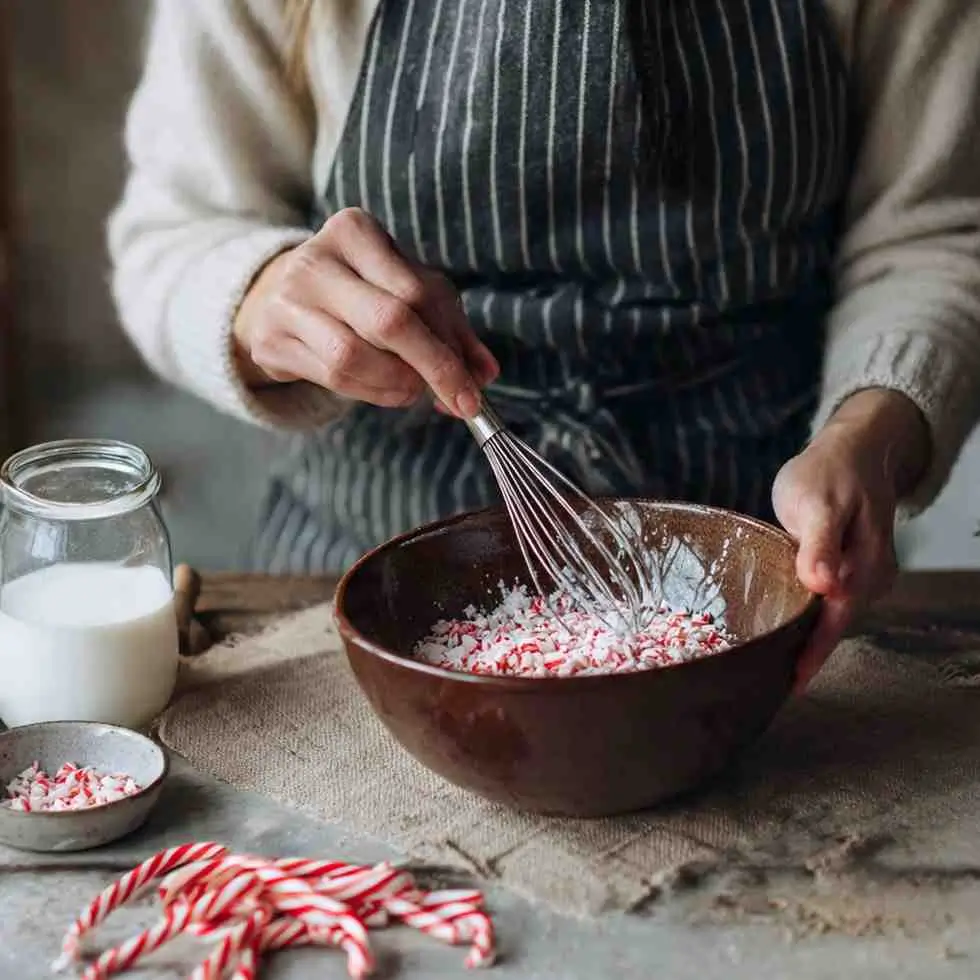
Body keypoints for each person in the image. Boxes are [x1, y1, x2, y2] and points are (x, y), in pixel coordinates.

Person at [109, 0, 980, 689]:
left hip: (755, 587)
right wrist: (260, 295)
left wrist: (870, 431)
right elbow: (171, 232)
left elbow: (930, 235)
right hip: (356, 589)